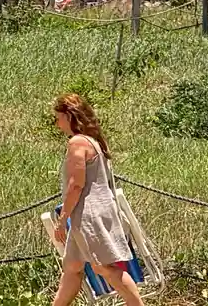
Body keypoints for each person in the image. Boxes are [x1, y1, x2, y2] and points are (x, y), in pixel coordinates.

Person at [51, 94, 144, 306]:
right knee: (73, 268)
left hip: (88, 214)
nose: (57, 124)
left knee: (104, 267)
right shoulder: (92, 141)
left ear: (68, 116)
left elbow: (76, 184)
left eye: (58, 118)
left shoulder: (77, 142)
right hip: (95, 211)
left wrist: (62, 218)